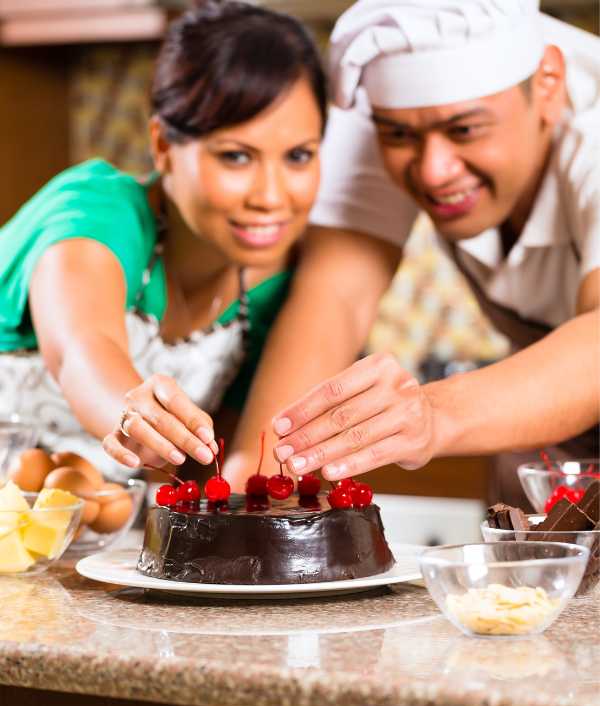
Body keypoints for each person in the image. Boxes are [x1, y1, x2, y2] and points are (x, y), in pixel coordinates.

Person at [267, 0, 599, 505]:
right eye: (400, 136)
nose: (432, 171)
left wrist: (431, 414)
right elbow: (335, 298)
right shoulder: (391, 111)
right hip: (554, 443)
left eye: (465, 130)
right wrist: (265, 478)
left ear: (548, 85)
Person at [0, 0, 326, 481]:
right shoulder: (95, 212)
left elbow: (213, 471)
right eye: (236, 157)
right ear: (163, 145)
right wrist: (124, 408)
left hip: (75, 544)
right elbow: (80, 349)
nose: (272, 196)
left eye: (299, 156)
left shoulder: (274, 291)